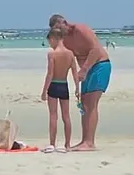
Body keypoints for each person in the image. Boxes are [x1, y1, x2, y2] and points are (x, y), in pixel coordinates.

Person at [48, 14, 111, 151]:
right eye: (55, 30)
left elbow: (95, 50)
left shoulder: (81, 30)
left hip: (100, 66)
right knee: (84, 104)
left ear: (64, 22)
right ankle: (84, 140)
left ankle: (90, 142)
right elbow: (68, 58)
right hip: (85, 71)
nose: (59, 32)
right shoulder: (64, 40)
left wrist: (84, 70)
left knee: (91, 103)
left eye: (59, 28)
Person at [40, 27, 79, 152]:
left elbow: (50, 74)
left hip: (54, 85)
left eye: (50, 42)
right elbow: (75, 72)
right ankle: (67, 145)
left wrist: (44, 91)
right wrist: (77, 88)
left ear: (54, 38)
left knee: (53, 116)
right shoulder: (70, 54)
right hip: (64, 85)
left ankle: (52, 144)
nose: (50, 45)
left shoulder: (52, 54)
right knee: (66, 116)